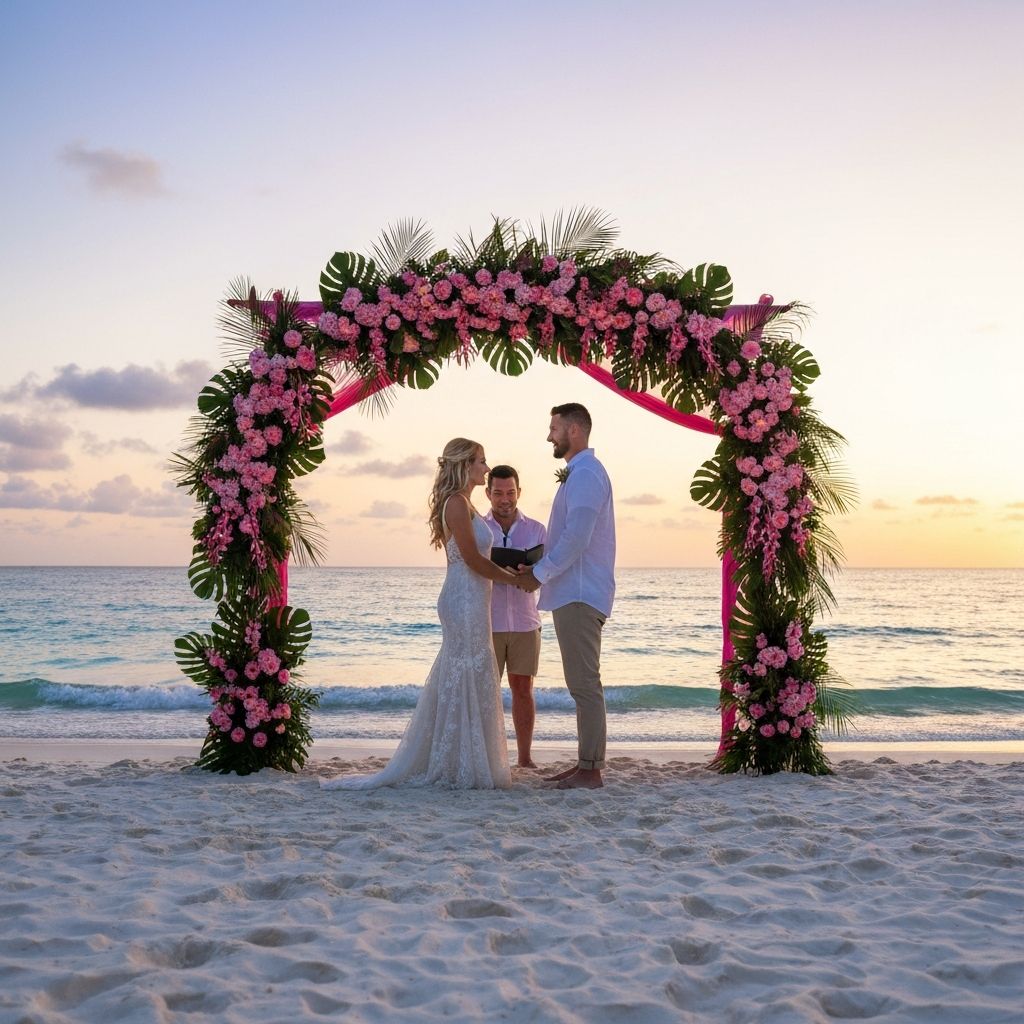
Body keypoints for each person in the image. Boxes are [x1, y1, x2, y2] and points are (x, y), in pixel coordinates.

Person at [321, 438, 516, 791]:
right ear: (464, 464)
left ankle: (465, 759)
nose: (486, 469)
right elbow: (472, 560)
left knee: (470, 671)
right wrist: (513, 580)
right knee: (466, 670)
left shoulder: (465, 504)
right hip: (464, 598)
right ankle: (456, 764)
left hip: (473, 597)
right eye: (481, 462)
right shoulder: (456, 504)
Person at [516, 404, 615, 790]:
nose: (549, 436)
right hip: (573, 590)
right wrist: (535, 565)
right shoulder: (580, 473)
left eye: (554, 428)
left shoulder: (587, 473)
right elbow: (566, 538)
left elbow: (577, 538)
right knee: (581, 683)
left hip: (579, 592)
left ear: (574, 430)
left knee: (585, 684)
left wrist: (539, 574)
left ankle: (591, 770)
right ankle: (585, 764)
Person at [484, 465, 547, 769]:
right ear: (488, 494)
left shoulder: (536, 530)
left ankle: (524, 758)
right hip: (489, 622)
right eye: (498, 493)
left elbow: (548, 572)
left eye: (510, 492)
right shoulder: (479, 529)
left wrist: (532, 572)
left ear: (519, 492)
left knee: (523, 690)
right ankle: (491, 756)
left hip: (525, 621)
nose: (505, 499)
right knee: (487, 691)